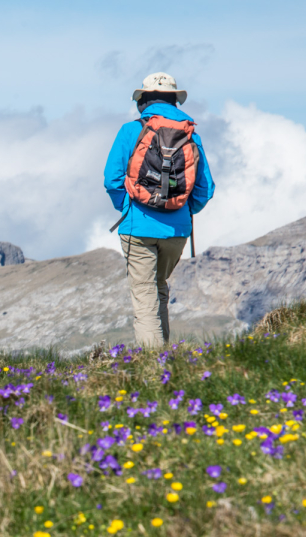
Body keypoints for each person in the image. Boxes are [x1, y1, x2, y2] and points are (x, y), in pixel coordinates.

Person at [104, 72, 215, 347]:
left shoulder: (131, 131)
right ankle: (165, 358)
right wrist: (182, 209)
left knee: (144, 294)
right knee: (159, 287)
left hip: (138, 227)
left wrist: (128, 206)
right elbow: (205, 189)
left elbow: (112, 179)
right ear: (175, 102)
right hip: (177, 231)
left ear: (143, 100)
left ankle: (153, 369)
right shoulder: (191, 135)